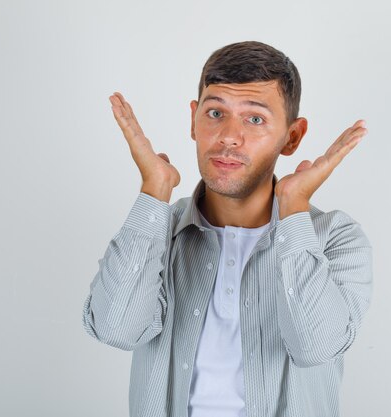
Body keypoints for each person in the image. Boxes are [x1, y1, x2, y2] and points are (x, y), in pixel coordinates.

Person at [82, 40, 373, 417]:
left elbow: (316, 348)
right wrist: (154, 190)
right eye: (216, 112)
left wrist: (294, 207)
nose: (228, 137)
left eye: (255, 119)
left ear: (292, 137)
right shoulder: (158, 229)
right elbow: (116, 330)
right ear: (193, 120)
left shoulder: (336, 238)